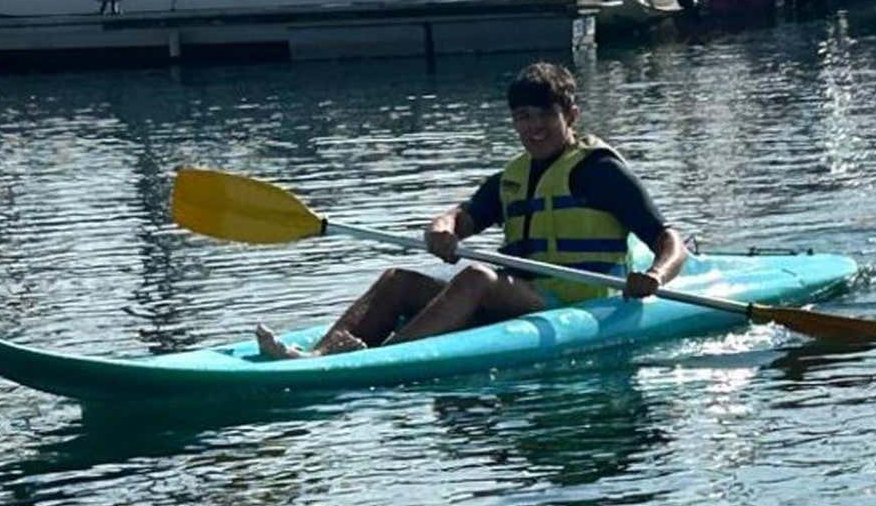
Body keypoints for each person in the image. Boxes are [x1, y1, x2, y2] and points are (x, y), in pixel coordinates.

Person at [255, 62, 689, 359]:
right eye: (522, 117)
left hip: (578, 299)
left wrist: (654, 277)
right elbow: (463, 217)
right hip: (523, 294)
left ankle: (386, 357)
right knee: (396, 281)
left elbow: (670, 242)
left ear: (570, 114)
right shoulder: (514, 175)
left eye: (544, 116)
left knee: (478, 276)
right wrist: (443, 228)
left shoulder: (601, 171)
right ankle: (318, 354)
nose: (532, 127)